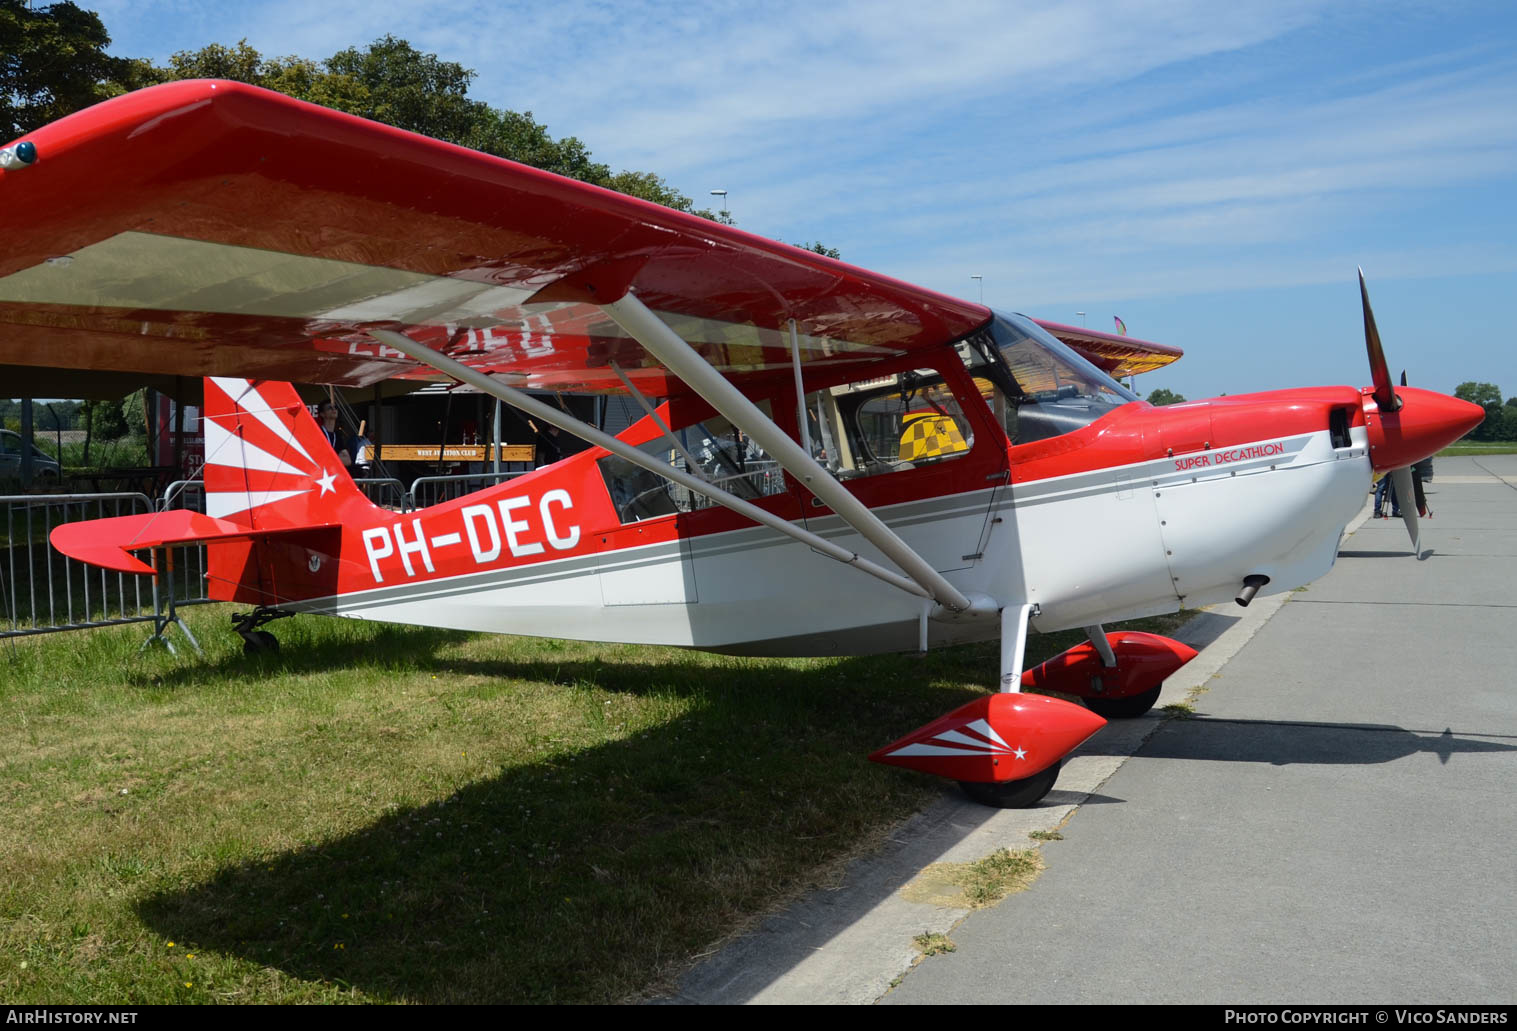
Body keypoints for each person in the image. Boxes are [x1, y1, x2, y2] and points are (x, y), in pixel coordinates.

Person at [316, 400, 352, 467]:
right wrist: (337, 457)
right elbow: (317, 458)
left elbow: (347, 461)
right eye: (329, 408)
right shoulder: (318, 433)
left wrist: (328, 458)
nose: (334, 410)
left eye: (335, 407)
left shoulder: (338, 436)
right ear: (322, 414)